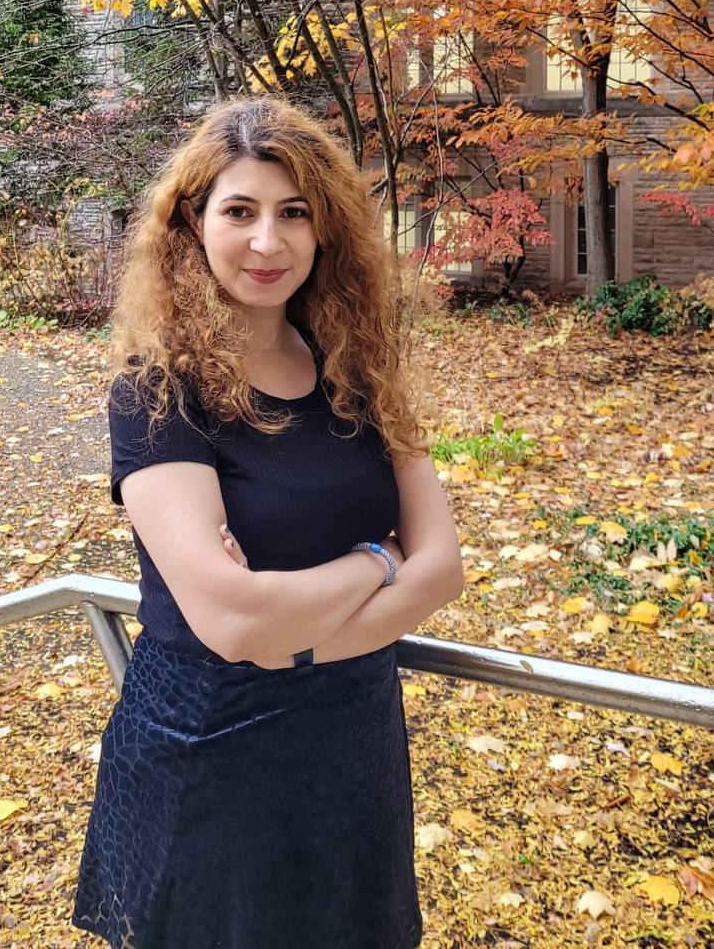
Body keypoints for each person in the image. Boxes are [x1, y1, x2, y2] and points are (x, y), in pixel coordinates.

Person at [71, 96, 464, 949]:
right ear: (193, 224)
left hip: (351, 742)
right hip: (210, 749)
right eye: (239, 211)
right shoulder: (157, 390)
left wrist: (292, 635)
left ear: (325, 229)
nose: (267, 241)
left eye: (294, 213)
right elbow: (233, 620)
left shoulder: (356, 368)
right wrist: (377, 559)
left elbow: (442, 568)